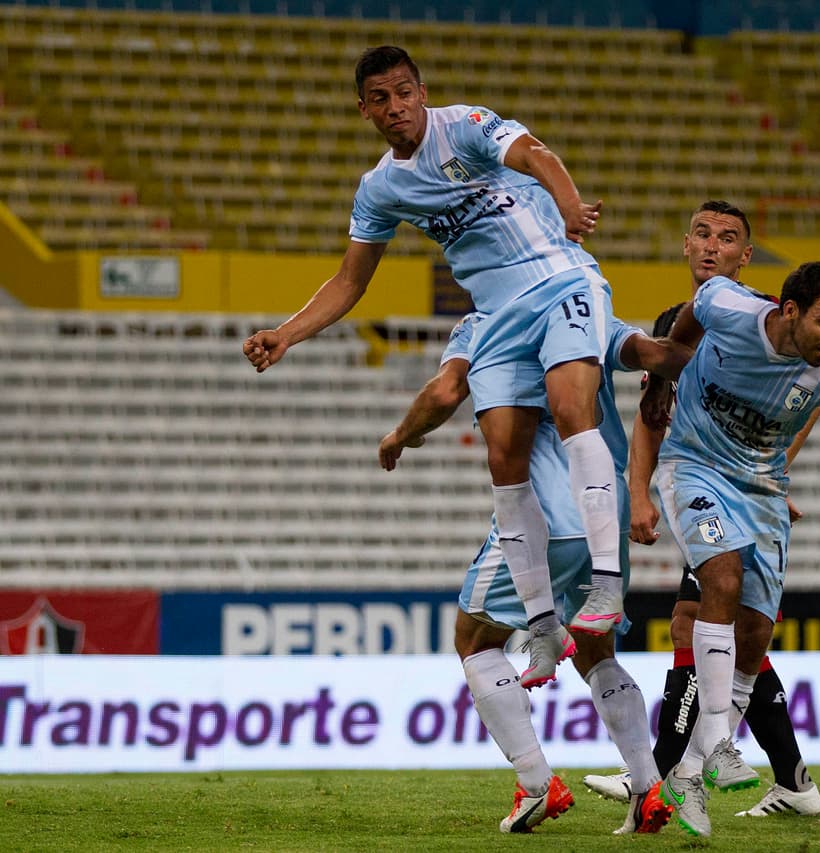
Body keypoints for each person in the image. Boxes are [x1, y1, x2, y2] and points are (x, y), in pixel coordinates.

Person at [242, 45, 625, 690]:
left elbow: (535, 155)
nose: (396, 107)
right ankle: (541, 623)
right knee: (503, 456)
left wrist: (567, 204)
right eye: (380, 99)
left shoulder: (466, 125)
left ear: (421, 92)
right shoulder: (380, 188)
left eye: (404, 92)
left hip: (559, 280)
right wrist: (287, 333)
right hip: (495, 312)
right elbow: (349, 279)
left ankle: (608, 587)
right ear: (363, 109)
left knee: (568, 410)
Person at [378, 311, 683, 835]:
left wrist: (400, 436)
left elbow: (446, 392)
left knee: (475, 639)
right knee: (596, 651)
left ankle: (536, 783)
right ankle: (647, 783)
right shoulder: (585, 310)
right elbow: (655, 352)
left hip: (541, 519)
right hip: (603, 519)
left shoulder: (484, 321)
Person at [642, 261, 820, 837]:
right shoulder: (727, 305)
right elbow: (691, 316)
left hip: (764, 487)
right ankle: (718, 741)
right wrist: (668, 372)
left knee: (756, 634)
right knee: (721, 578)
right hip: (693, 465)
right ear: (789, 311)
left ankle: (689, 771)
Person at [584, 201, 820, 818]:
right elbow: (651, 417)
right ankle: (786, 782)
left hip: (740, 495)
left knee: (703, 622)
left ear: (747, 257)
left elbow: (814, 395)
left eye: (728, 239)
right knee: (720, 628)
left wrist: (770, 470)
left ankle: (668, 770)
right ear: (686, 247)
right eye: (702, 235)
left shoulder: (768, 321)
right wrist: (638, 493)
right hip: (697, 487)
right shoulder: (674, 324)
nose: (712, 246)